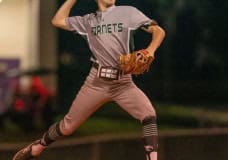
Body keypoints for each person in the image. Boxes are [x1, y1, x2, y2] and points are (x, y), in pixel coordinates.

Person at [12, 0, 165, 160]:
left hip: (123, 83)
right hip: (96, 82)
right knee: (67, 126)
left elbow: (158, 31)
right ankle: (37, 147)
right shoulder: (88, 21)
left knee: (149, 114)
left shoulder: (128, 12)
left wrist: (150, 50)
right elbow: (57, 21)